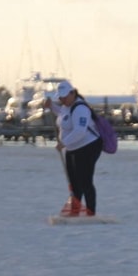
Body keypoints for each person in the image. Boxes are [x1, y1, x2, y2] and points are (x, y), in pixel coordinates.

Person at [46, 80, 103, 216]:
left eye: (65, 97)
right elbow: (63, 116)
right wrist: (52, 106)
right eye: (60, 98)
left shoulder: (81, 108)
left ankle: (90, 211)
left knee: (85, 180)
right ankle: (75, 210)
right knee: (73, 181)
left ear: (72, 93)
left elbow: (80, 131)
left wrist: (63, 143)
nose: (63, 100)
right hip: (72, 148)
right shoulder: (67, 106)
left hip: (88, 147)